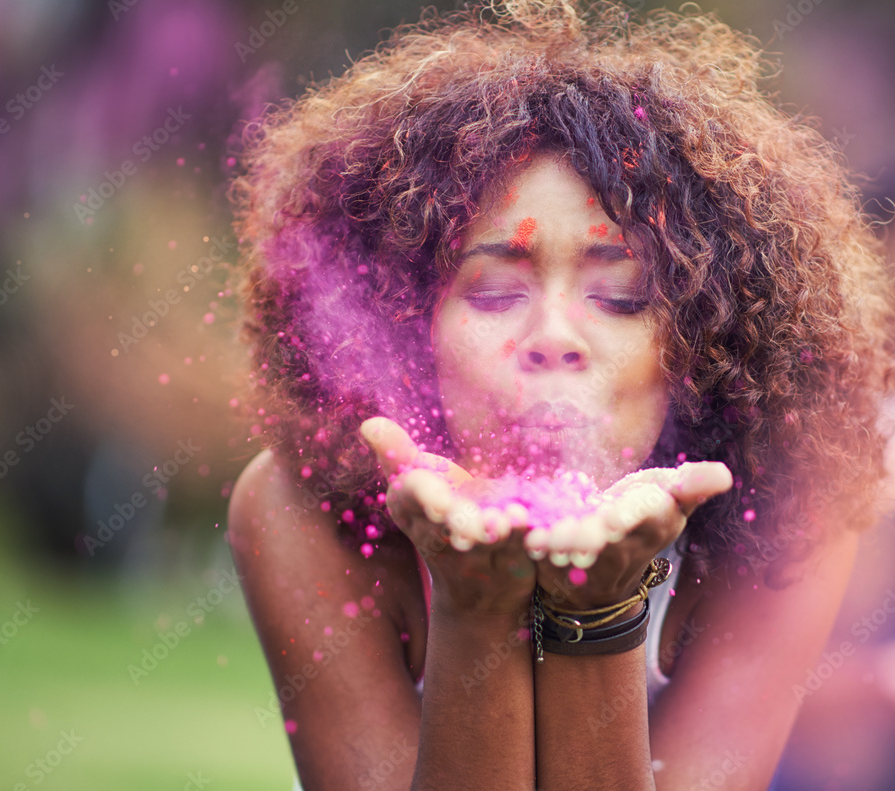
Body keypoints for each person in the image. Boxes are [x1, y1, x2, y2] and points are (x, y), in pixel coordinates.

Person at [227, 1, 895, 788]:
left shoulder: (788, 508)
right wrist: (480, 608)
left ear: (706, 349)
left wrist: (597, 610)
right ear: (406, 323)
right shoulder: (299, 509)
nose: (553, 335)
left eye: (619, 298)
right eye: (493, 294)